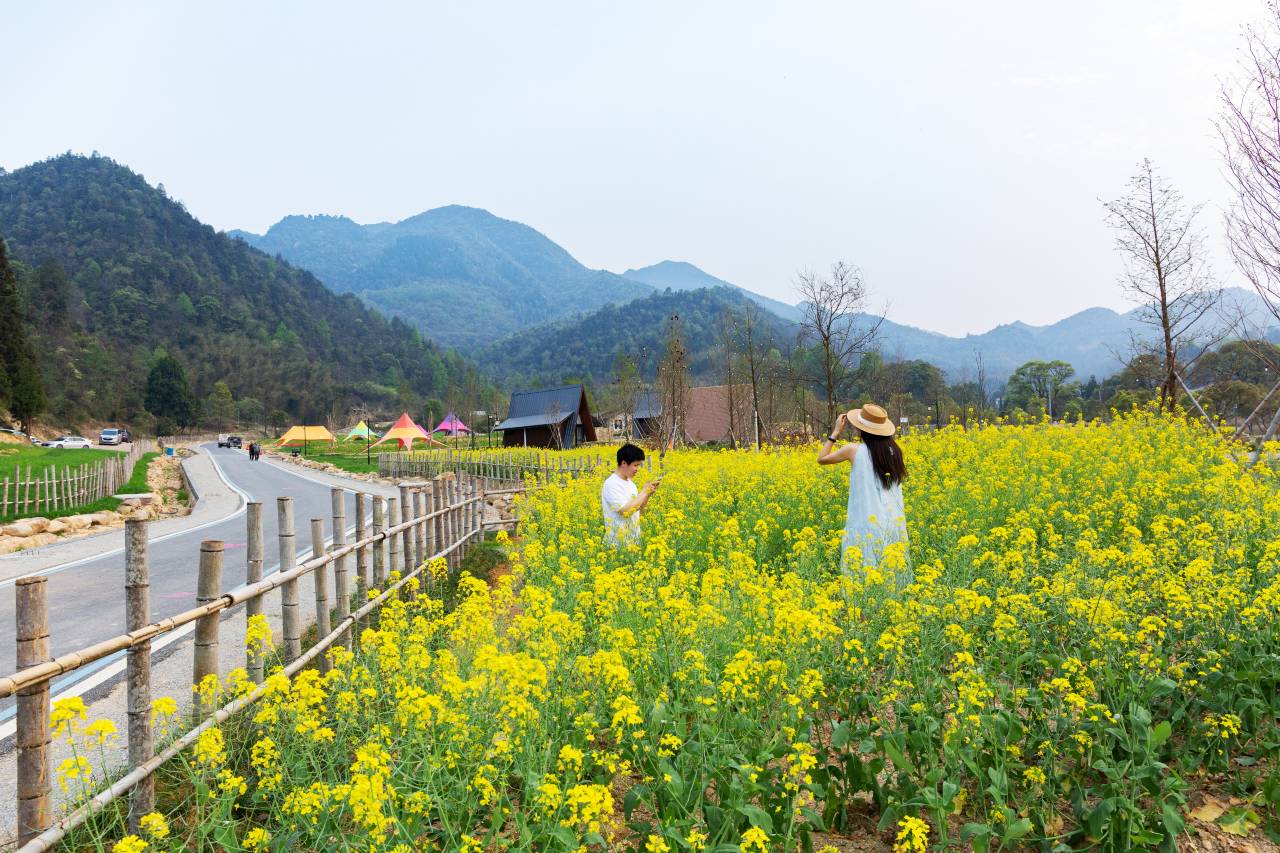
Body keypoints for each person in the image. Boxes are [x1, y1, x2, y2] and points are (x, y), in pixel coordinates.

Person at [817, 403, 910, 580]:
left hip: (865, 522)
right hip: (891, 523)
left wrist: (835, 433)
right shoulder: (895, 452)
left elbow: (822, 459)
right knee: (890, 572)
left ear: (862, 429)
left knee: (862, 572)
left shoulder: (854, 450)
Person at [602, 443, 658, 545]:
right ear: (624, 463)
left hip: (633, 542)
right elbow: (625, 512)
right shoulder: (611, 484)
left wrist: (647, 495)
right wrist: (644, 491)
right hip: (617, 545)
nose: (637, 469)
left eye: (639, 465)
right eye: (635, 465)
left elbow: (640, 511)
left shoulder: (631, 485)